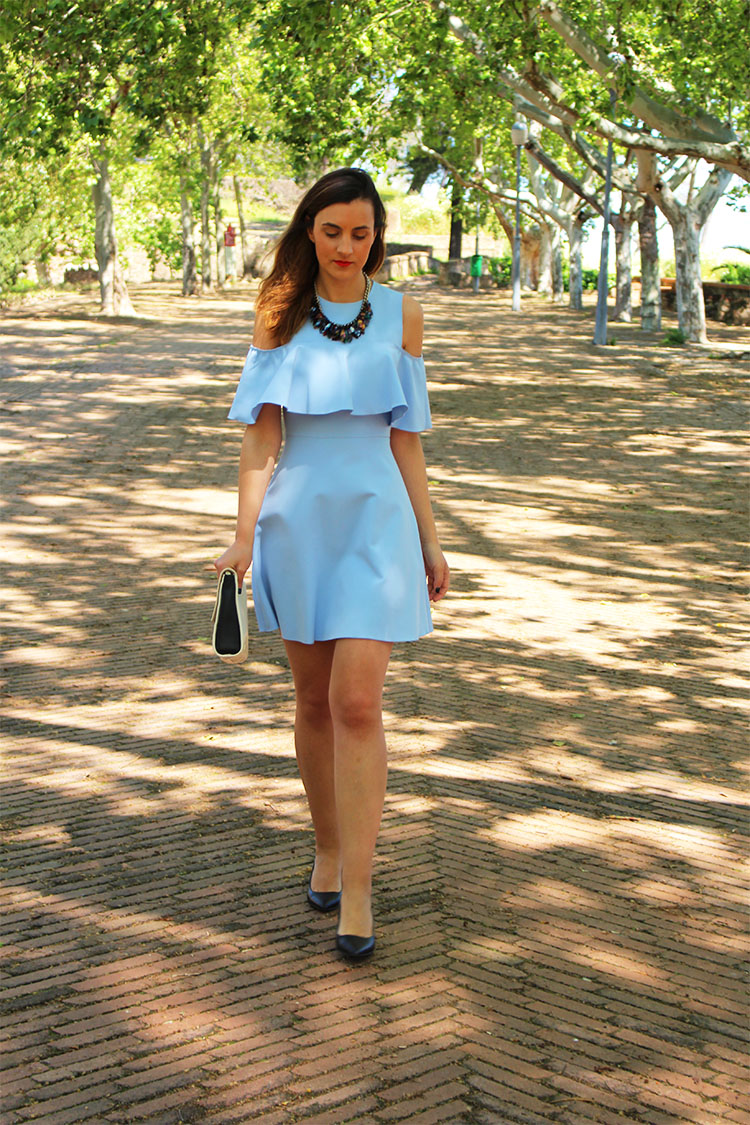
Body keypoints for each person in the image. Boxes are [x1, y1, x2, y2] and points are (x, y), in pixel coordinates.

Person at [214, 167, 449, 961]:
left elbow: (406, 437)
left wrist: (430, 539)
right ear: (308, 232)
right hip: (299, 523)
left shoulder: (403, 314)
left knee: (357, 702)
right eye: (332, 231)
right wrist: (243, 536)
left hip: (379, 522)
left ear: (377, 236)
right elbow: (260, 435)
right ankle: (325, 843)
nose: (347, 246)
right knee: (313, 701)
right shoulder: (278, 311)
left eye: (361, 232)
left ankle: (359, 884)